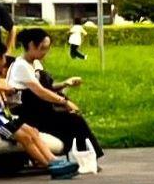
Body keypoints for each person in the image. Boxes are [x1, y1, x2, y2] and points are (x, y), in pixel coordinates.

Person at [0, 39, 78, 179]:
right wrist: (4, 88)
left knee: (32, 131)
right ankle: (50, 165)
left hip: (0, 116)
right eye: (3, 57)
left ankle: (53, 159)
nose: (5, 60)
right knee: (24, 137)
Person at [8, 28, 100, 164]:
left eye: (47, 48)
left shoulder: (34, 63)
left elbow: (46, 88)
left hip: (41, 112)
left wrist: (64, 84)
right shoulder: (21, 66)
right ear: (32, 45)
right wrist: (64, 102)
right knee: (75, 121)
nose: (45, 52)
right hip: (30, 116)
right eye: (42, 48)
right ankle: (85, 159)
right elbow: (41, 91)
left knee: (74, 121)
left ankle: (85, 159)